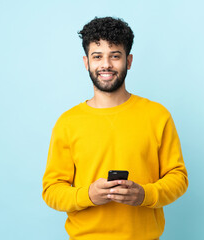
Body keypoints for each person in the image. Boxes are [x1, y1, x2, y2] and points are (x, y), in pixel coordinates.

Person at [42, 16, 188, 240]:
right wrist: (88, 195)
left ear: (128, 61)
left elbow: (178, 178)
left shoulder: (158, 115)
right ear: (86, 62)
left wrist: (145, 195)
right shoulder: (68, 122)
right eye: (97, 56)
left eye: (115, 56)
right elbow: (51, 190)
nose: (106, 64)